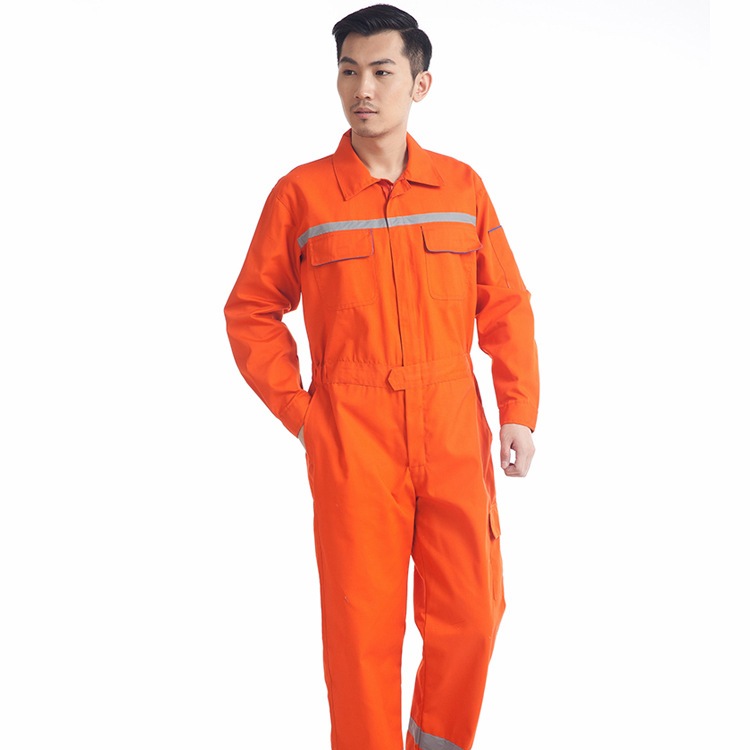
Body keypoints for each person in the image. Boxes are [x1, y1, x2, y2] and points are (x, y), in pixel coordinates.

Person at [224, 5, 539, 749]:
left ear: (420, 83)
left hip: (451, 424)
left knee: (473, 615)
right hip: (352, 433)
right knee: (362, 633)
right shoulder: (302, 195)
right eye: (348, 71)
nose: (362, 88)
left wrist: (518, 410)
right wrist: (306, 416)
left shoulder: (461, 187)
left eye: (380, 71)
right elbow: (251, 313)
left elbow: (506, 304)